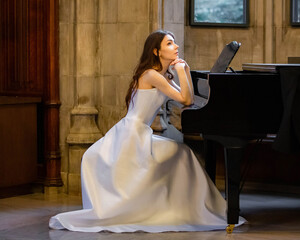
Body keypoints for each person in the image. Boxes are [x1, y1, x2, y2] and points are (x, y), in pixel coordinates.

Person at [49, 30, 246, 233]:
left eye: (175, 43)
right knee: (182, 154)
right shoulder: (152, 75)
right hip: (131, 137)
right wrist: (180, 71)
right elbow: (186, 100)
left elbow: (189, 99)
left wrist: (184, 70)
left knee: (183, 153)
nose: (176, 47)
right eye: (169, 44)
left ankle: (184, 207)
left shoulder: (162, 76)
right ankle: (176, 208)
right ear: (156, 51)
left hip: (140, 134)